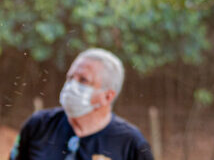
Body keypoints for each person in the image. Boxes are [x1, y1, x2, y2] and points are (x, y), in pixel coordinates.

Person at [11, 48, 154, 160]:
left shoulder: (131, 144)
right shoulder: (39, 125)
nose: (71, 85)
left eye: (83, 80)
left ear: (107, 96)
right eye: (70, 77)